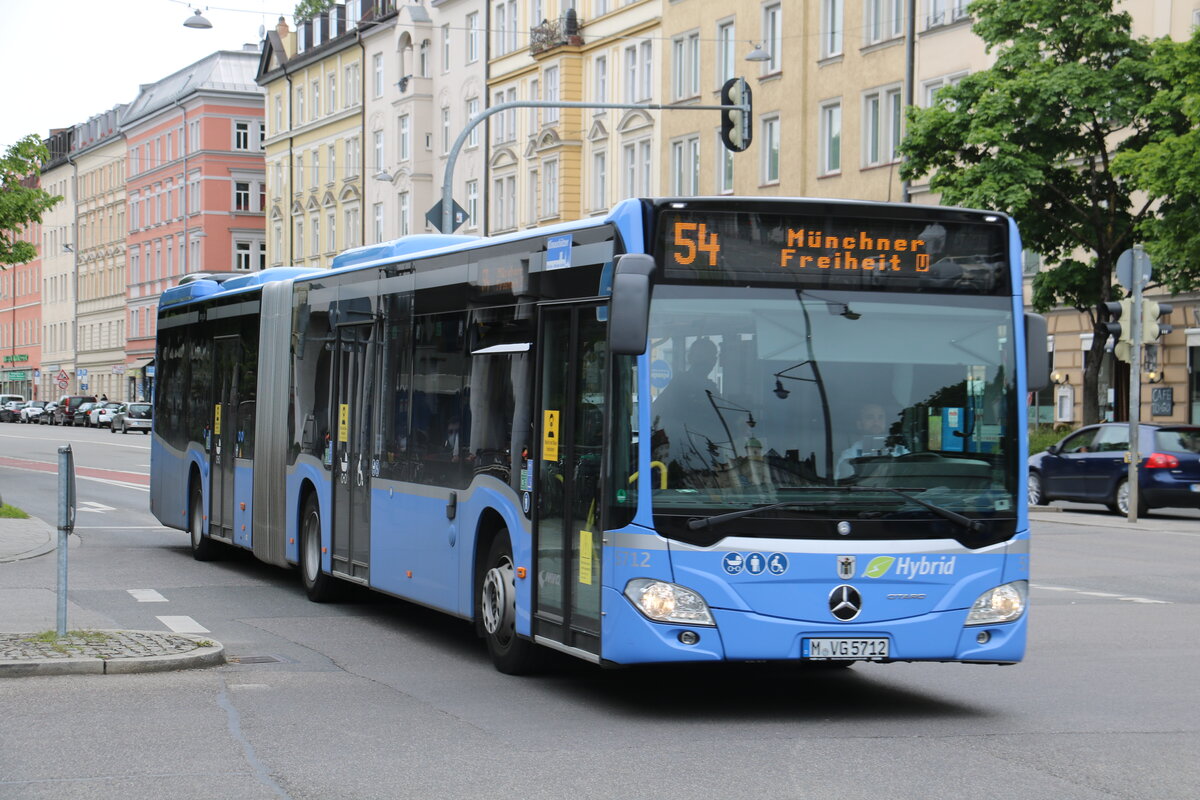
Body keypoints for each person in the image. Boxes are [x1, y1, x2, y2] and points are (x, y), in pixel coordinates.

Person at [651, 338, 725, 481]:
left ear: (715, 360)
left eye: (710, 357)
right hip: (686, 455)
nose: (706, 362)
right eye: (701, 357)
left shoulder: (711, 388)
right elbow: (657, 413)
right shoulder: (680, 383)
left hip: (709, 452)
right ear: (690, 358)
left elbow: (720, 420)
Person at [836, 402, 908, 479]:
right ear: (859, 424)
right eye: (870, 417)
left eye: (880, 417)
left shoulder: (901, 450)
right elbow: (843, 483)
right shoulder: (849, 455)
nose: (876, 422)